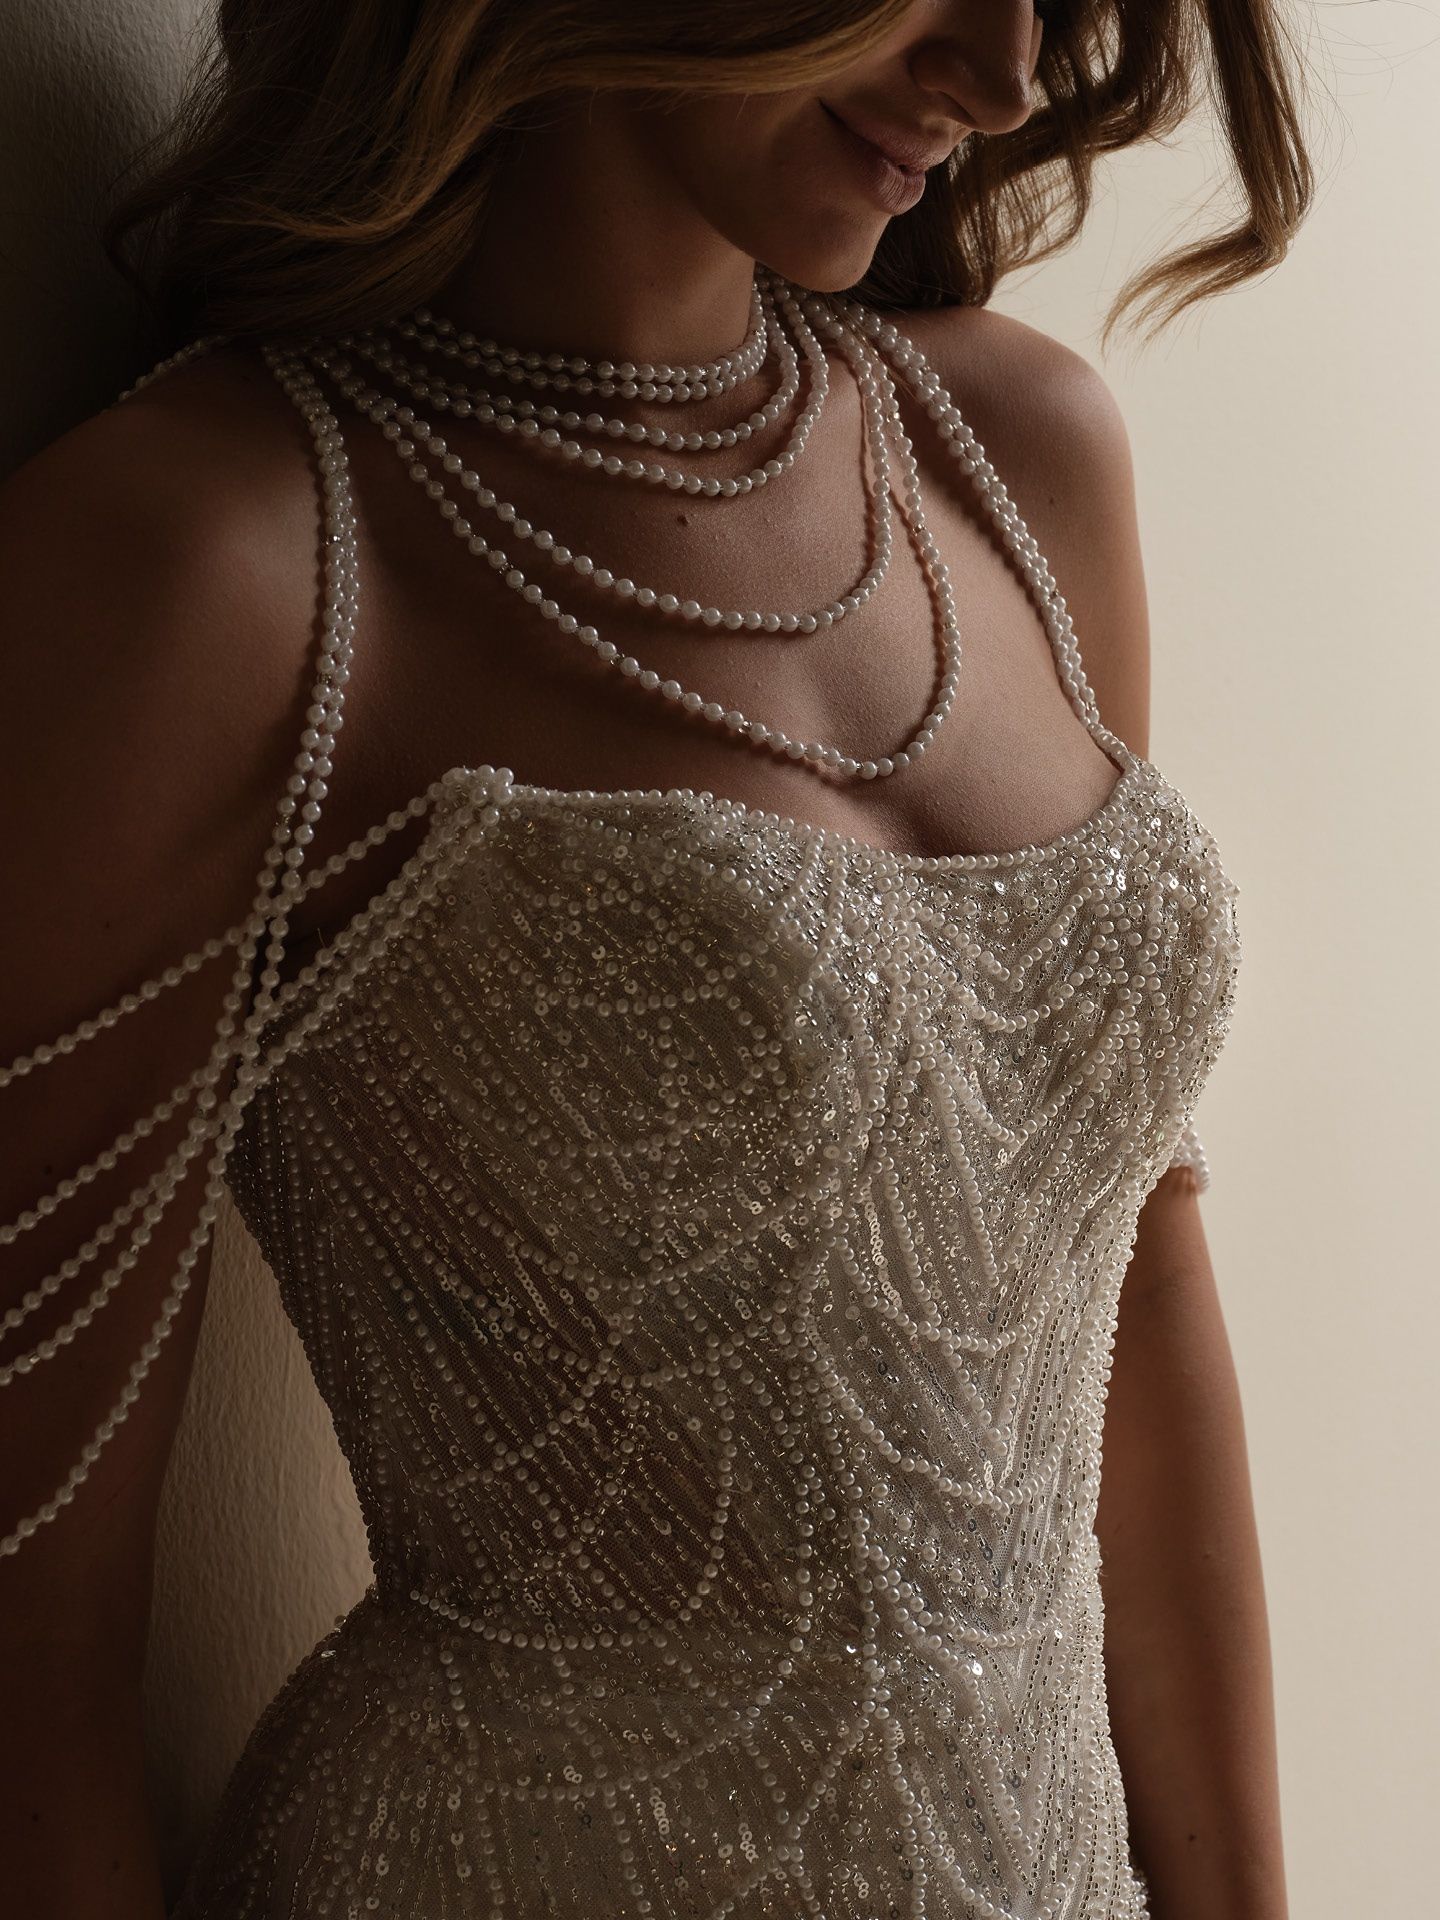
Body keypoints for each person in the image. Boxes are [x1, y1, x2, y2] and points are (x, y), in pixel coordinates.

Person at [0, 2, 1311, 1915]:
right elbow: (33, 1642)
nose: (1008, 74)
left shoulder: (1014, 458)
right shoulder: (220, 559)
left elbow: (1132, 1296)